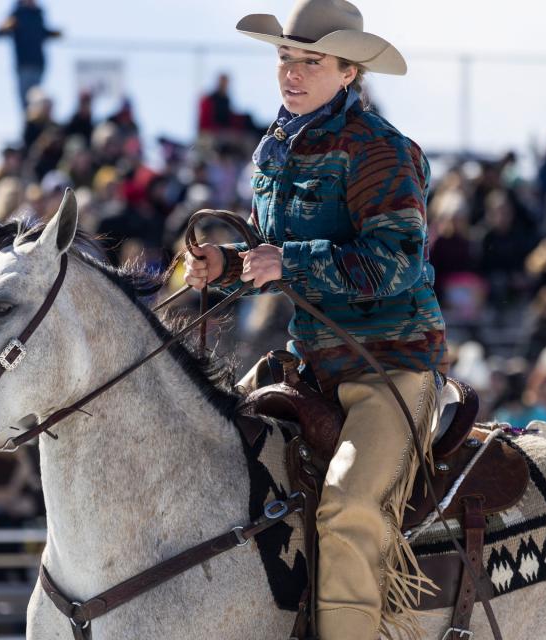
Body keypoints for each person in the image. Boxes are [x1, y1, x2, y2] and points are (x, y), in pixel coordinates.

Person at [183, 1, 444, 637]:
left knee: (350, 509)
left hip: (390, 367)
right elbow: (267, 263)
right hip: (314, 365)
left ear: (349, 72)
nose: (292, 74)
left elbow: (398, 262)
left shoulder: (381, 151)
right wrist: (226, 266)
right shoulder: (275, 150)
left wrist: (285, 263)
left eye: (311, 62)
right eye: (285, 58)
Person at [0, 0, 61, 110]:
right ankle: (28, 124)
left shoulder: (38, 14)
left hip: (38, 63)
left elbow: (41, 33)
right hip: (23, 64)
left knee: (36, 98)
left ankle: (35, 122)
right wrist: (6, 26)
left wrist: (53, 34)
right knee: (26, 100)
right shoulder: (17, 14)